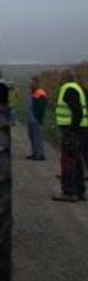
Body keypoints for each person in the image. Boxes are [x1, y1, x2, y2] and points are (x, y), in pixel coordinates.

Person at [52, 69, 87, 202]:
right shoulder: (76, 88)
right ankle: (80, 191)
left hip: (72, 130)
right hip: (81, 129)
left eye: (60, 77)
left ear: (64, 78)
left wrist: (72, 130)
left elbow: (77, 112)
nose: (58, 80)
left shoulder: (68, 89)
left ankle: (68, 192)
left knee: (68, 161)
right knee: (77, 161)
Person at [26, 76, 49, 161]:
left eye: (32, 83)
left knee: (37, 137)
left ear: (36, 83)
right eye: (29, 83)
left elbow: (42, 108)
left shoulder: (40, 93)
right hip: (30, 119)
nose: (30, 84)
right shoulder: (32, 92)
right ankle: (35, 153)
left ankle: (40, 155)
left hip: (36, 119)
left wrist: (38, 119)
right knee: (32, 137)